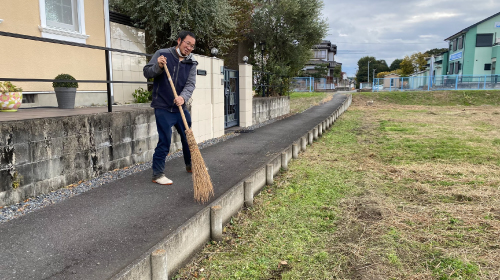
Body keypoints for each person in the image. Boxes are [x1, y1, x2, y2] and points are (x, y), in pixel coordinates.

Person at [143, 31, 198, 185]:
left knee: (188, 136)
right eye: (187, 43)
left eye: (192, 46)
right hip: (163, 106)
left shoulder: (191, 62)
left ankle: (191, 165)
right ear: (179, 40)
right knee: (165, 139)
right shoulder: (162, 54)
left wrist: (183, 97)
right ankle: (158, 174)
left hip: (180, 107)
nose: (189, 48)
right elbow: (147, 72)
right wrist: (159, 66)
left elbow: (190, 84)